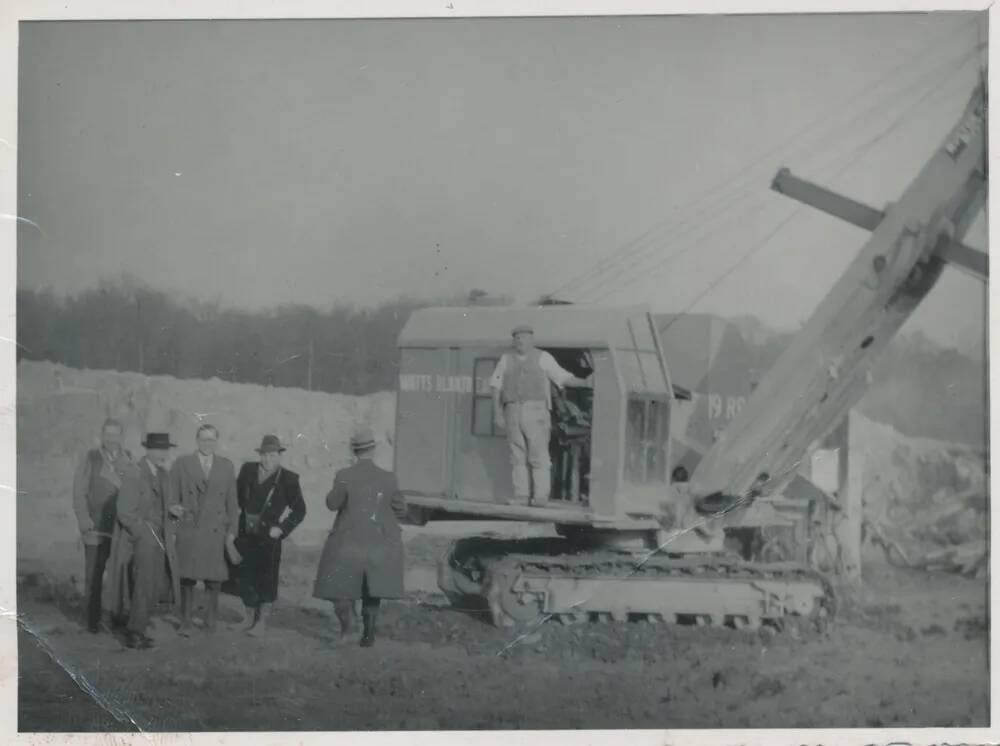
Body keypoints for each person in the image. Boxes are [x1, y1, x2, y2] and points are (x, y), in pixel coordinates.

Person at [312, 426, 407, 647]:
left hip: (349, 542)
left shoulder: (344, 476)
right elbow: (401, 509)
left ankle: (349, 627)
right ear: (373, 450)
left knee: (337, 585)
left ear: (354, 452)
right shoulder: (389, 478)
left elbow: (331, 504)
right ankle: (369, 635)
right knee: (372, 588)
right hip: (380, 543)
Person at [489, 324, 591, 506]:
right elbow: (496, 386)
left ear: (531, 339)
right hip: (512, 410)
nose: (520, 340)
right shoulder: (506, 359)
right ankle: (521, 496)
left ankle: (540, 497)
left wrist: (587, 382)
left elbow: (563, 377)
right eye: (517, 337)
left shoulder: (543, 358)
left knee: (538, 456)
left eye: (524, 337)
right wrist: (497, 413)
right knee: (517, 456)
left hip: (536, 411)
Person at [230, 435, 307, 635]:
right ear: (260, 455)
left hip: (269, 538)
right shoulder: (248, 470)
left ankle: (261, 623)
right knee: (244, 576)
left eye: (272, 455)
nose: (267, 459)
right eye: (264, 455)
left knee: (267, 579)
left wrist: (281, 529)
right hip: (245, 533)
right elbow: (236, 498)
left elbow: (299, 510)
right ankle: (247, 619)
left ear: (279, 456)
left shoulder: (289, 479)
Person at [109, 432, 179, 650]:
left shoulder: (163, 475)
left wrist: (172, 510)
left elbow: (160, 504)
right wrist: (144, 533)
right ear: (148, 450)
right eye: (158, 449)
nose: (162, 454)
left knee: (151, 585)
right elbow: (125, 512)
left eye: (165, 450)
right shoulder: (134, 473)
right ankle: (135, 633)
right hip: (142, 539)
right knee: (143, 585)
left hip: (160, 538)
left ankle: (137, 627)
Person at [167, 424, 239, 635]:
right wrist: (174, 508)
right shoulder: (182, 464)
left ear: (216, 442)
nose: (207, 444)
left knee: (214, 580)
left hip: (215, 530)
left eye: (211, 440)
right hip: (189, 527)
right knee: (187, 578)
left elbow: (232, 504)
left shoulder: (226, 466)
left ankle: (210, 623)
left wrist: (232, 531)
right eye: (203, 439)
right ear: (197, 441)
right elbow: (172, 496)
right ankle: (186, 621)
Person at [71, 418, 133, 633]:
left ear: (121, 437)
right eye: (108, 435)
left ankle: (114, 616)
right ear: (102, 436)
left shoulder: (129, 459)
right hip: (95, 526)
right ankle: (92, 620)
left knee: (118, 577)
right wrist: (83, 519)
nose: (111, 439)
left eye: (116, 435)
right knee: (94, 575)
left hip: (119, 528)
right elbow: (78, 491)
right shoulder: (91, 457)